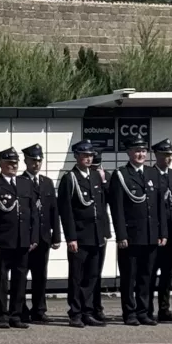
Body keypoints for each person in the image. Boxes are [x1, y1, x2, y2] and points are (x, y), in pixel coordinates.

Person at [106, 138, 163, 326]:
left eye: (143, 151)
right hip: (131, 236)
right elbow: (118, 208)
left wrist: (161, 232)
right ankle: (129, 313)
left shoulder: (152, 173)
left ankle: (144, 311)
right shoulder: (121, 174)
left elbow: (159, 206)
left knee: (147, 276)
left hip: (150, 234)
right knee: (129, 277)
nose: (140, 154)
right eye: (137, 151)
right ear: (129, 153)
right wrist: (121, 235)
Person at [57, 140, 111, 328]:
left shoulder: (96, 176)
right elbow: (66, 211)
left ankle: (88, 311)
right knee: (77, 276)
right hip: (80, 236)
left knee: (92, 276)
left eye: (90, 155)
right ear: (76, 157)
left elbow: (101, 207)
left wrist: (104, 233)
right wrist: (70, 237)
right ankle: (75, 313)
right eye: (84, 155)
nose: (88, 158)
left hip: (96, 235)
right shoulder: (70, 178)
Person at [0, 146, 32, 329]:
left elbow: (31, 212)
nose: (13, 166)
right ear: (1, 164)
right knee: (2, 280)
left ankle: (16, 315)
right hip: (3, 241)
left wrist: (32, 237)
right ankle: (2, 315)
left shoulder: (25, 183)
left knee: (20, 279)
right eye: (9, 163)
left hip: (22, 240)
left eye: (15, 163)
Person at [22, 144, 60, 323]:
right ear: (26, 161)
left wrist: (56, 236)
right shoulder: (20, 181)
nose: (36, 164)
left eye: (39, 161)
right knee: (21, 275)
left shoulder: (47, 182)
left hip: (44, 236)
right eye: (32, 160)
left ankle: (39, 309)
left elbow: (53, 209)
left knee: (40, 275)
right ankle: (21, 308)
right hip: (26, 237)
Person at [147, 139, 172, 323]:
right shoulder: (149, 174)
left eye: (170, 155)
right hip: (155, 231)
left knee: (167, 272)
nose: (167, 159)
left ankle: (164, 308)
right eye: (164, 155)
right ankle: (147, 308)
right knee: (151, 271)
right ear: (156, 155)